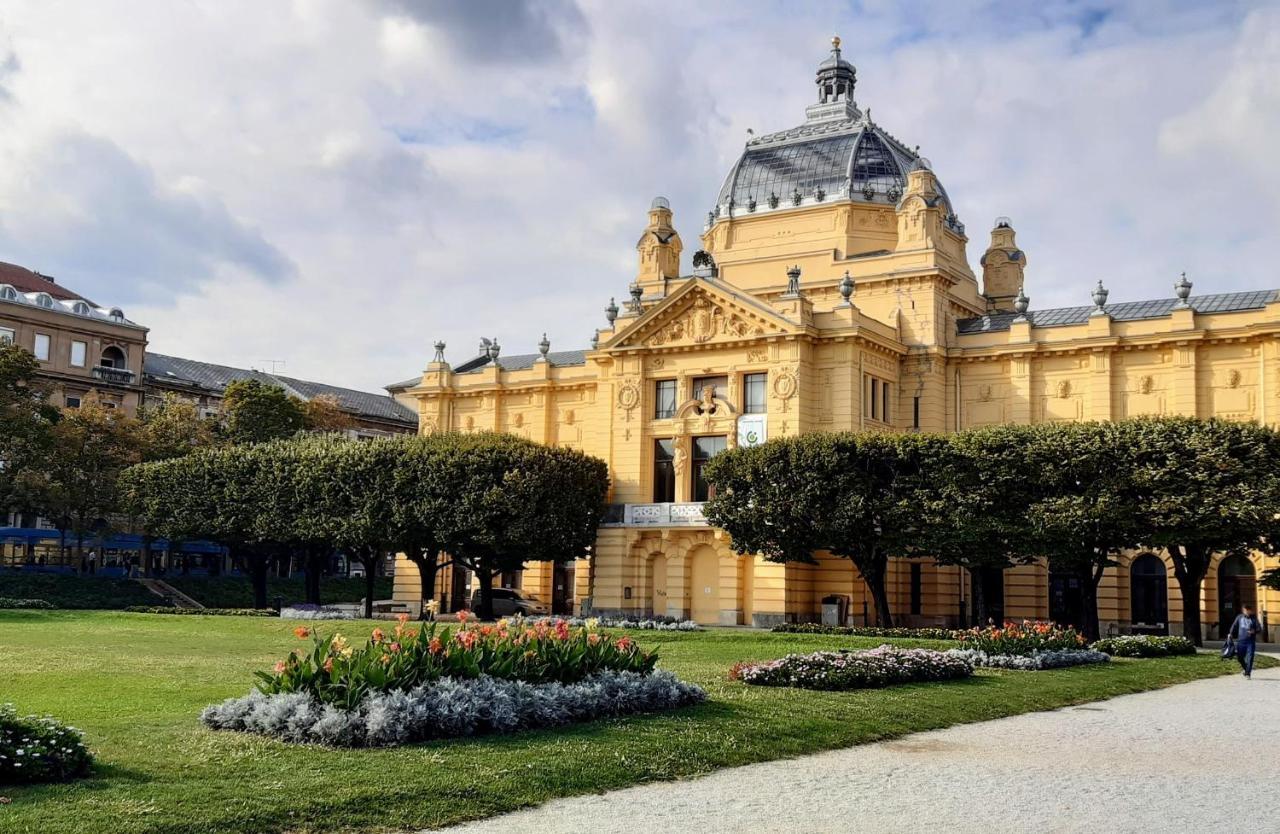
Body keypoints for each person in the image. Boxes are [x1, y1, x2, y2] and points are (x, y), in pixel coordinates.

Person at [1227, 603, 1263, 679]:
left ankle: (1248, 673)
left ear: (1250, 611)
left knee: (1250, 657)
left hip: (1250, 642)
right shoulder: (1239, 617)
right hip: (1241, 641)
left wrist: (1254, 631)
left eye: (1247, 610)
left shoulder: (1254, 618)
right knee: (1240, 657)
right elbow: (1234, 625)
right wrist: (1230, 633)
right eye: (1244, 610)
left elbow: (1259, 629)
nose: (1245, 612)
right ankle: (1247, 669)